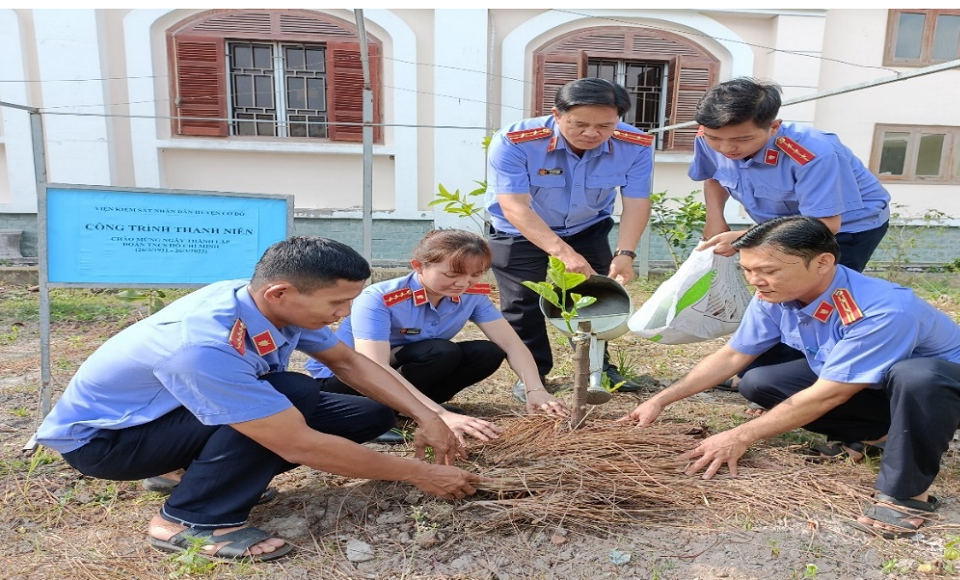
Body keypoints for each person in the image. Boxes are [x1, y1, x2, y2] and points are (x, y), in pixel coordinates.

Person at [34, 236, 483, 562]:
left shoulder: (270, 301)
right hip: (110, 443)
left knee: (366, 415)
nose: (344, 313)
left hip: (170, 418)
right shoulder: (203, 345)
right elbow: (297, 444)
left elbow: (349, 363)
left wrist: (428, 414)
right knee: (290, 393)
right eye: (337, 302)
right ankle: (190, 519)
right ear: (281, 292)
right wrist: (419, 473)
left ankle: (189, 472)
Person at [619, 216, 960, 538]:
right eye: (748, 271)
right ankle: (879, 436)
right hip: (881, 386)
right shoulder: (773, 297)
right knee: (760, 382)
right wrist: (661, 399)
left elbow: (829, 393)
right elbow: (733, 355)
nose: (756, 281)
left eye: (769, 270)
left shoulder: (881, 309)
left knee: (917, 374)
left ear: (823, 262)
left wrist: (740, 435)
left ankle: (908, 493)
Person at [690, 77, 893, 386]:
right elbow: (714, 178)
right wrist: (716, 218)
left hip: (845, 228)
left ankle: (790, 380)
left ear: (774, 127)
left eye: (742, 140)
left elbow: (824, 225)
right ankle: (749, 370)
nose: (727, 148)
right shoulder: (710, 137)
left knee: (808, 296)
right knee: (769, 290)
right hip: (770, 228)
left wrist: (746, 238)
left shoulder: (814, 153)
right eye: (716, 139)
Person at [486, 77, 655, 402]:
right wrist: (562, 253)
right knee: (522, 303)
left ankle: (597, 370)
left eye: (605, 126)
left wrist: (625, 253)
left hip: (587, 225)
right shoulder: (515, 141)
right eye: (580, 124)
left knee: (594, 297)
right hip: (518, 230)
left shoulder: (635, 145)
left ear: (618, 119)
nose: (592, 134)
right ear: (557, 114)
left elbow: (636, 202)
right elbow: (514, 206)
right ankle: (532, 376)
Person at [305, 229, 569, 424]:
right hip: (346, 380)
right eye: (451, 275)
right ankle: (387, 414)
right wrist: (437, 414)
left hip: (405, 368)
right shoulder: (379, 297)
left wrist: (536, 390)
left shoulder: (471, 295)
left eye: (475, 275)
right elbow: (374, 365)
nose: (463, 284)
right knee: (440, 351)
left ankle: (410, 408)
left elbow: (511, 343)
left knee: (488, 352)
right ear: (419, 266)